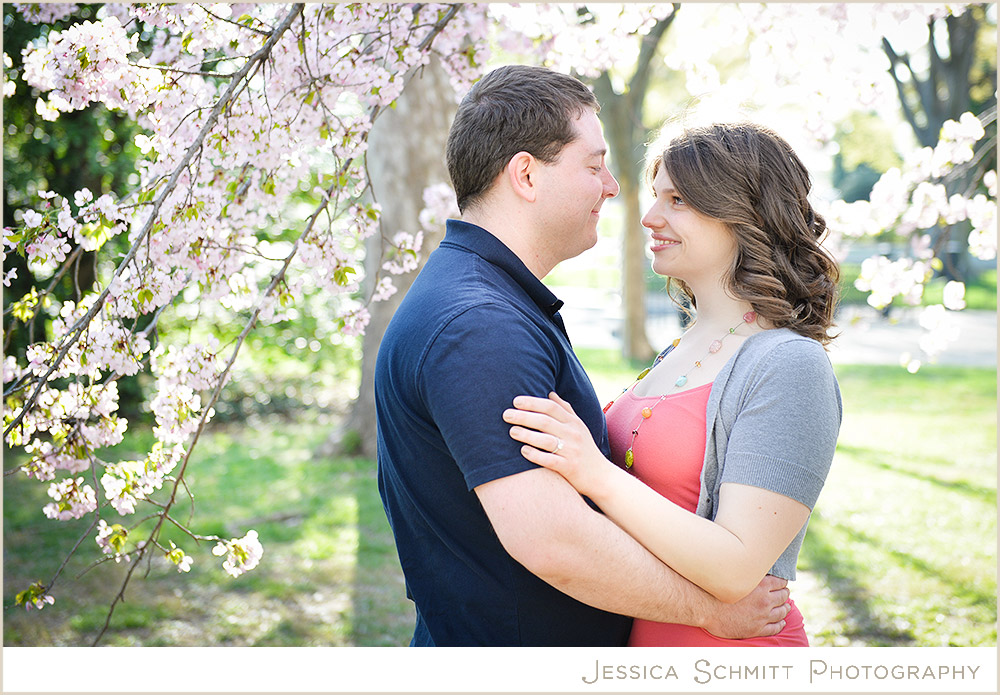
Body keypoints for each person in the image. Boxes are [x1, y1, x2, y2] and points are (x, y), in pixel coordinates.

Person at [375, 66, 792, 646]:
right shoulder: (480, 325)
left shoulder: (482, 301)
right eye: (593, 165)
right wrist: (708, 612)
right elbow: (554, 541)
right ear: (525, 174)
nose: (613, 186)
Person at [504, 121, 843, 646]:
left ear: (742, 212)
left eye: (678, 199)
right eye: (657, 195)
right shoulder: (678, 349)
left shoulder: (788, 364)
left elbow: (735, 568)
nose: (649, 217)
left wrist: (593, 472)